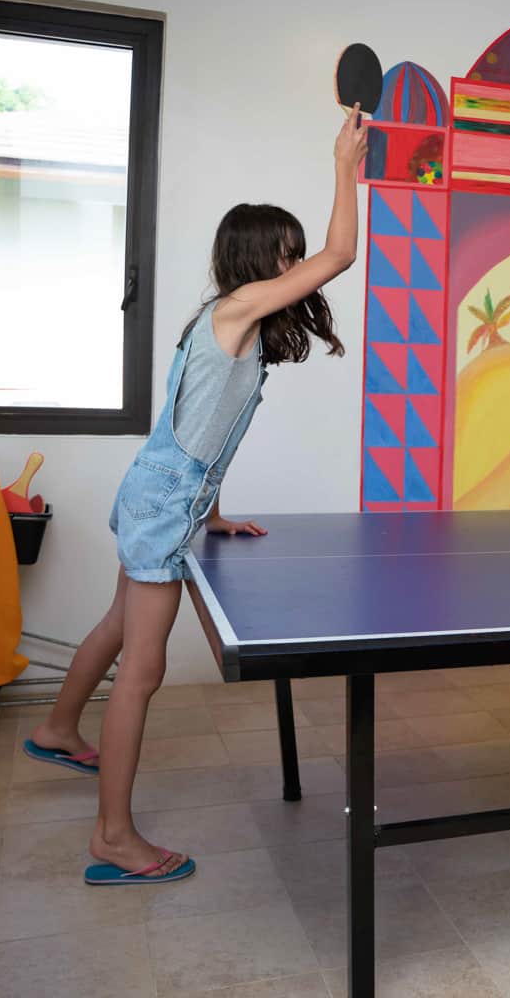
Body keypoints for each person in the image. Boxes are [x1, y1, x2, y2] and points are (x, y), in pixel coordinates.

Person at [20, 106, 369, 885]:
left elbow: (198, 429)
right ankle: (113, 837)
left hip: (157, 498)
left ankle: (53, 724)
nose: (298, 266)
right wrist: (343, 164)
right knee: (142, 672)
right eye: (287, 256)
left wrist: (212, 513)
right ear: (257, 262)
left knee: (116, 624)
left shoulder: (230, 322)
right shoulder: (236, 309)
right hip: (157, 511)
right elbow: (343, 252)